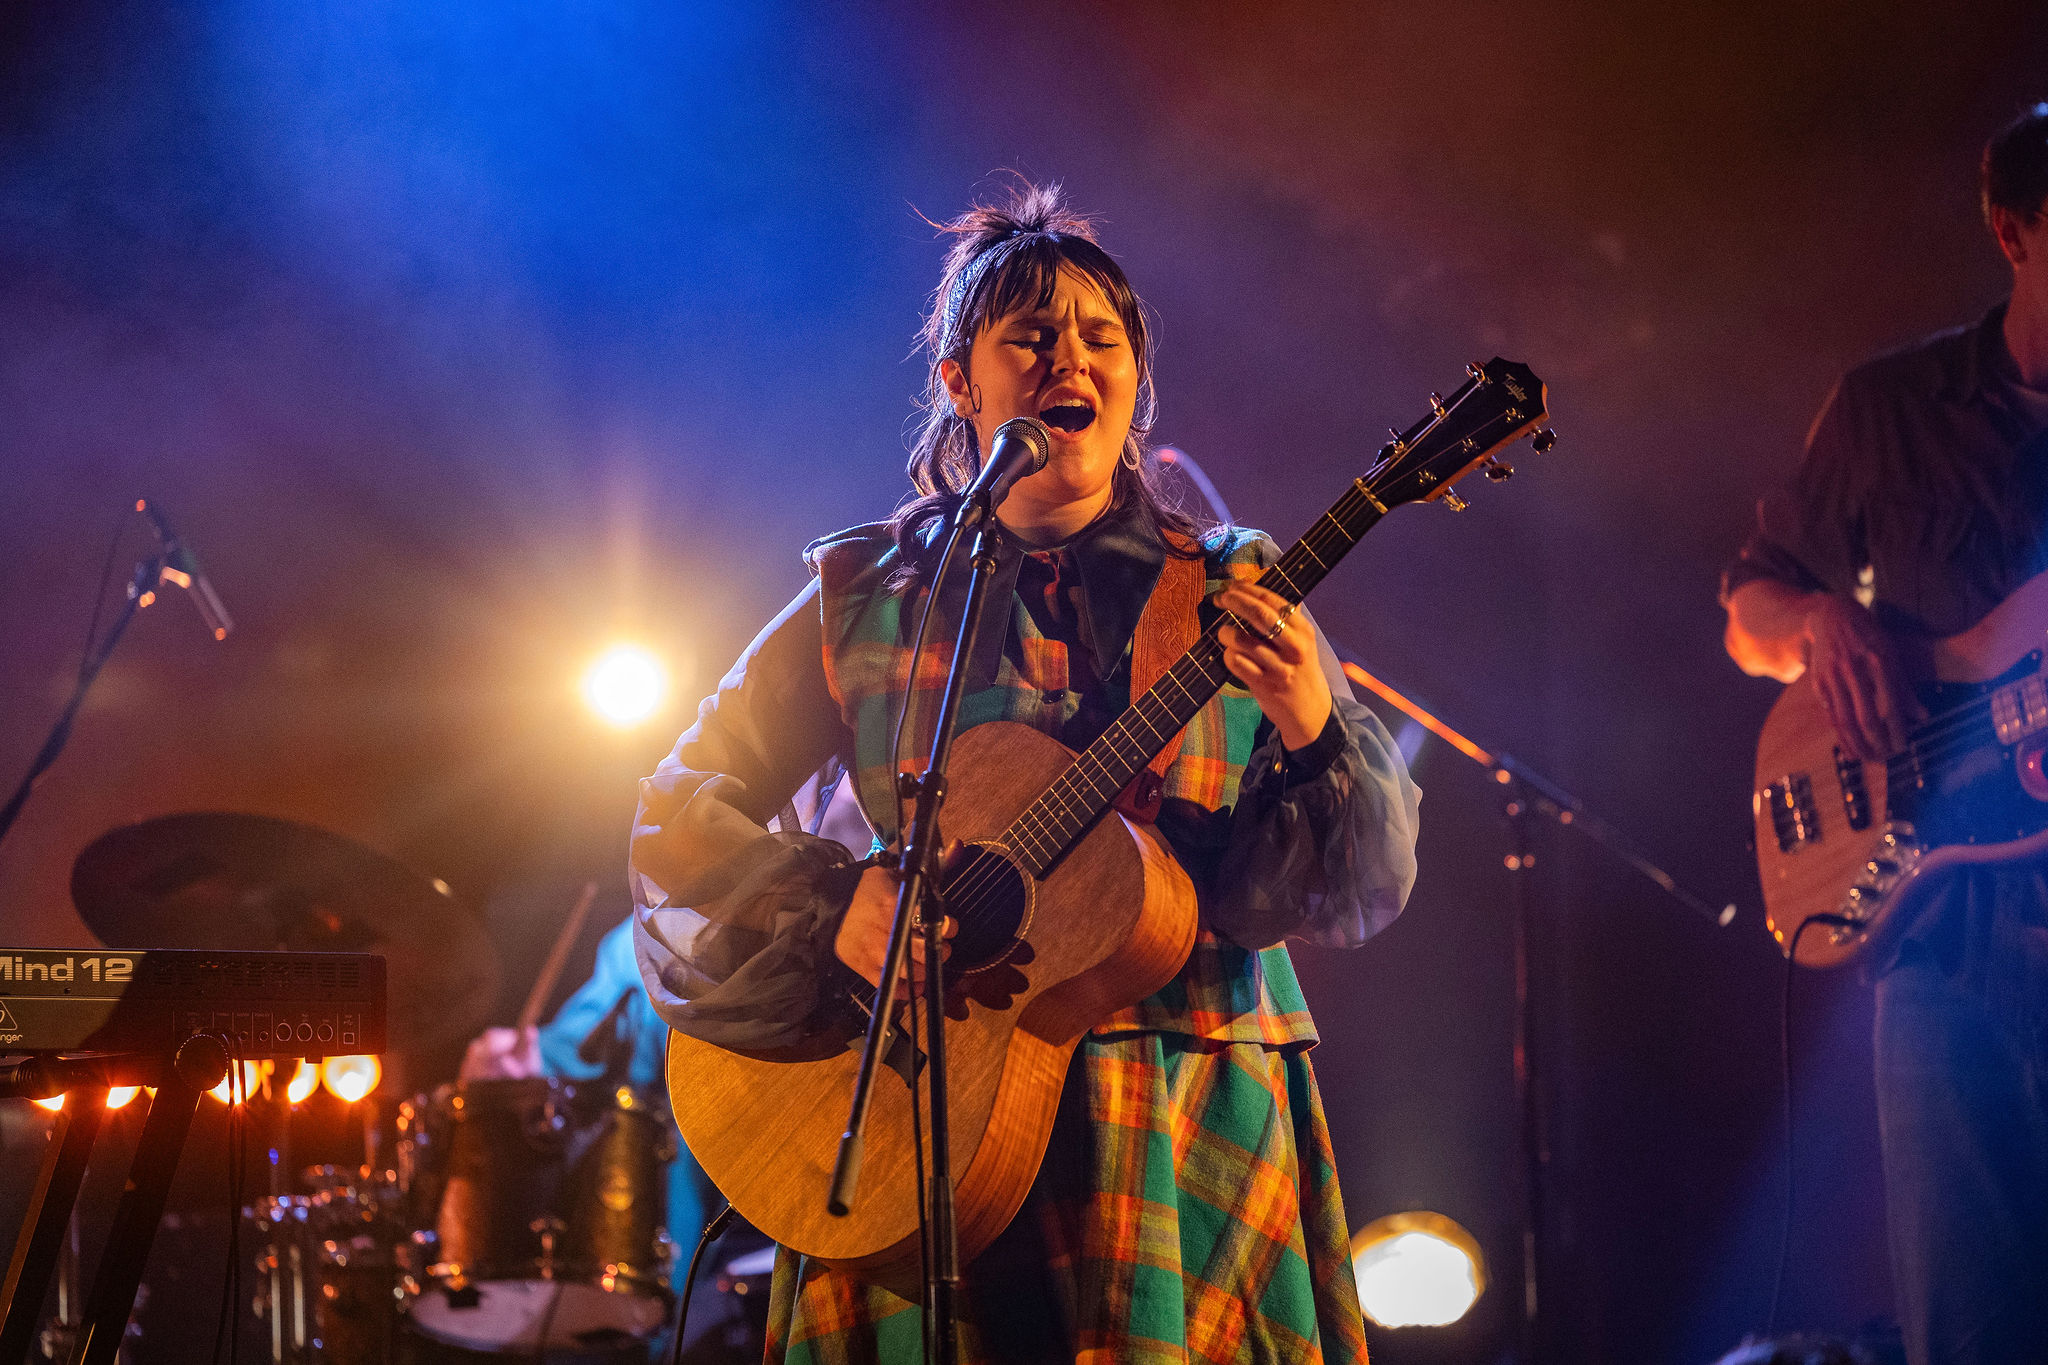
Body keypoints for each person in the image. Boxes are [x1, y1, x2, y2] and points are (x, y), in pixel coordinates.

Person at [630, 182, 1421, 1364]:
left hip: (1172, 1097)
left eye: (1102, 339)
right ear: (961, 384)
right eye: (1033, 336)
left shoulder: (1227, 584)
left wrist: (1308, 718)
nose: (1072, 360)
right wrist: (840, 903)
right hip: (914, 1107)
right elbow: (678, 805)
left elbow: (1360, 885)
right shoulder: (867, 595)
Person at [1722, 106, 2048, 1365]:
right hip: (1941, 942)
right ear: (2010, 232)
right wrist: (1815, 622)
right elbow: (1748, 614)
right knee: (1968, 1330)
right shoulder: (1888, 406)